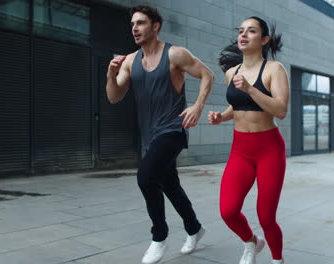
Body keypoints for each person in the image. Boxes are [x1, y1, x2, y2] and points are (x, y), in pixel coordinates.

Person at [106, 5, 214, 264]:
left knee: (145, 177)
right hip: (150, 135)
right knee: (170, 186)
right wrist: (110, 74)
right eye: (133, 24)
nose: (135, 28)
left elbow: (207, 74)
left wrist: (197, 106)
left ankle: (159, 236)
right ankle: (195, 229)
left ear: (155, 26)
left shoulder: (175, 54)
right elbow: (113, 97)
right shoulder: (131, 61)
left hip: (173, 130)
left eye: (141, 23)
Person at [208, 16, 289, 264]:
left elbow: (281, 110)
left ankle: (277, 260)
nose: (243, 35)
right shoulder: (232, 72)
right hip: (240, 149)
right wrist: (222, 116)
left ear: (264, 39)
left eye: (251, 31)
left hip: (269, 150)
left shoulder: (275, 69)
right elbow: (236, 104)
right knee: (228, 211)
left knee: (266, 216)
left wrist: (251, 89)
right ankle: (252, 243)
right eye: (241, 31)